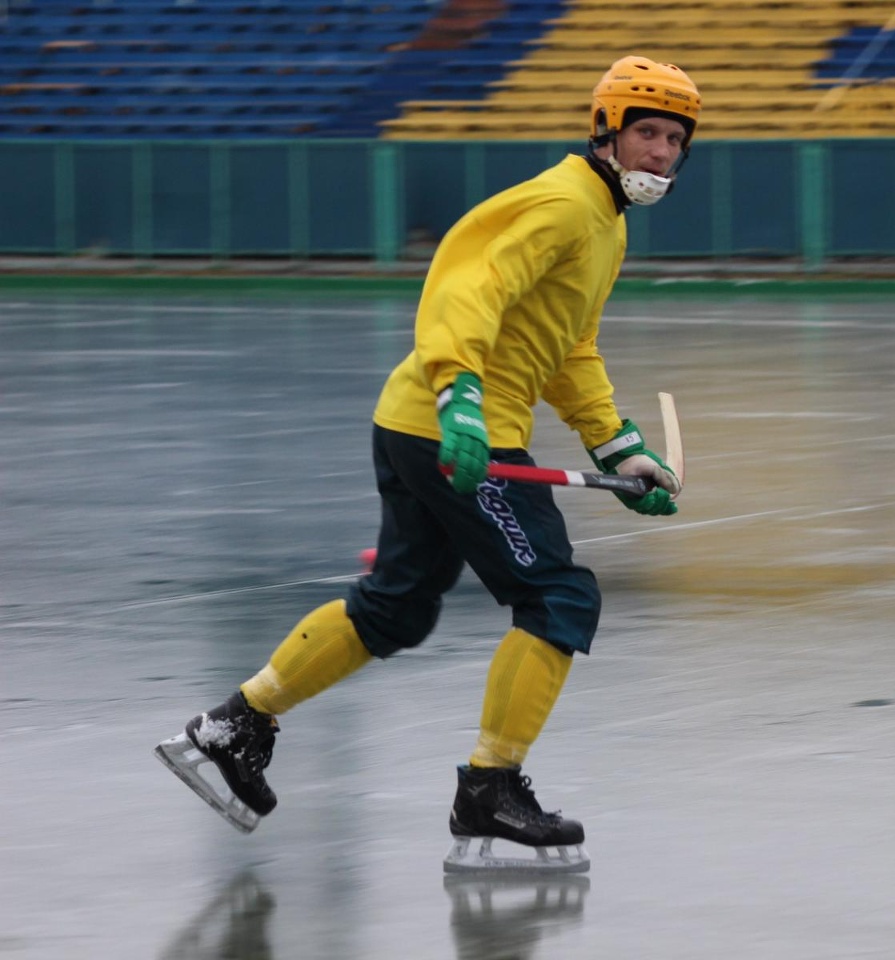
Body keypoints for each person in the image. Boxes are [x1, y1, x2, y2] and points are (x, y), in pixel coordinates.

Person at [155, 54, 700, 874]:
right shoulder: (564, 205)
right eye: (646, 133)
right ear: (604, 131)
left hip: (416, 421)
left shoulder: (605, 221)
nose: (660, 152)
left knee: (395, 607)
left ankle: (233, 728)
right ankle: (490, 790)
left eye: (674, 139)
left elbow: (566, 344)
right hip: (456, 431)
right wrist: (463, 401)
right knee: (555, 595)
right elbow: (464, 291)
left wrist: (617, 445)